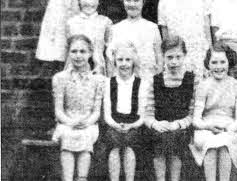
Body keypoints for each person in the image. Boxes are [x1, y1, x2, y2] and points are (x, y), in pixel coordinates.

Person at [190, 43, 237, 181]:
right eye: (214, 62)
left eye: (222, 62)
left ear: (229, 63)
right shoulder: (203, 86)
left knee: (224, 145)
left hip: (229, 127)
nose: (218, 66)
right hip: (207, 127)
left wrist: (229, 128)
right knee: (210, 145)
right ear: (208, 64)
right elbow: (196, 119)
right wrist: (207, 126)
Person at [51, 35, 105, 181]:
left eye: (82, 51)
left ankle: (82, 178)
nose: (78, 56)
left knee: (85, 135)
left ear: (90, 53)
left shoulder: (98, 79)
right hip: (67, 122)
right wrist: (70, 122)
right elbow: (59, 111)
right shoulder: (60, 78)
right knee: (67, 134)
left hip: (88, 123)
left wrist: (86, 122)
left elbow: (96, 111)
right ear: (69, 53)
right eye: (74, 51)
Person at [145, 36, 197, 181]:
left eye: (178, 57)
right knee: (160, 139)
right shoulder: (155, 80)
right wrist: (155, 124)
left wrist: (178, 124)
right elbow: (148, 114)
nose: (174, 62)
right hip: (159, 127)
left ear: (185, 56)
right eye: (169, 57)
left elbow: (193, 113)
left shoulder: (191, 79)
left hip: (181, 126)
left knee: (174, 139)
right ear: (163, 57)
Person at [158, 0, 213, 77]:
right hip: (177, 58)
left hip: (200, 55)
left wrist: (210, 56)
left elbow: (208, 30)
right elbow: (166, 38)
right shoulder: (164, 3)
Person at [103, 41, 148, 181]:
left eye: (128, 60)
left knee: (129, 146)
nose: (124, 64)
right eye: (120, 60)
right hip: (114, 123)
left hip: (134, 124)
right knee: (114, 146)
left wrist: (132, 125)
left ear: (133, 62)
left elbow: (142, 115)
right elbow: (107, 114)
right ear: (115, 62)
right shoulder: (108, 83)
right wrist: (115, 125)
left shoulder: (141, 84)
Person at [108, 0, 163, 78]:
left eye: (136, 0)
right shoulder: (115, 29)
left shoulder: (152, 28)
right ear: (123, 1)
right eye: (128, 0)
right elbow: (111, 62)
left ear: (143, 1)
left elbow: (159, 59)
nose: (132, 4)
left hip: (147, 82)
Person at [66, 0, 112, 75]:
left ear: (99, 1)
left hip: (98, 72)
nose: (89, 2)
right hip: (75, 72)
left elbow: (109, 54)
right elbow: (68, 53)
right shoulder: (71, 23)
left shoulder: (105, 22)